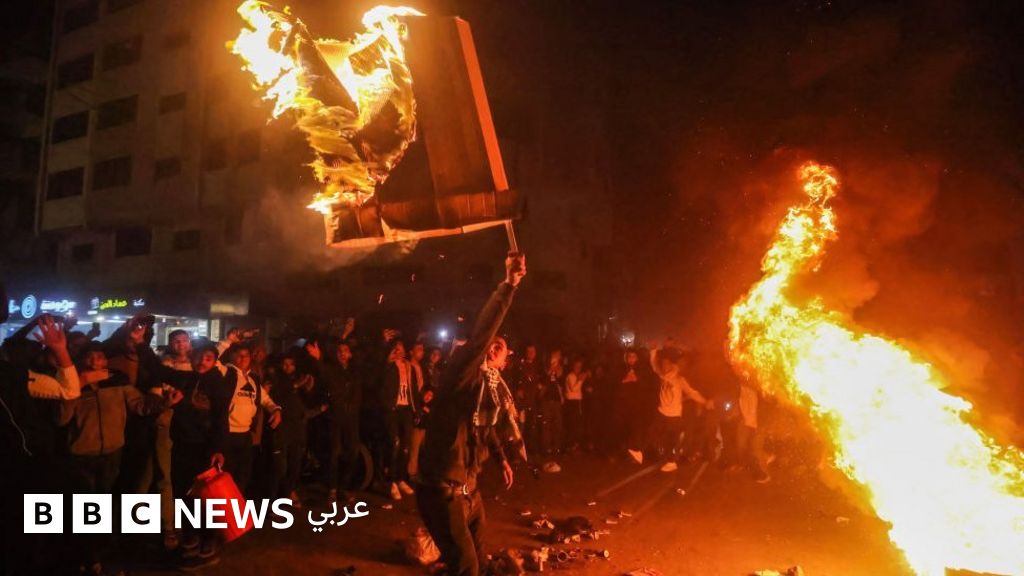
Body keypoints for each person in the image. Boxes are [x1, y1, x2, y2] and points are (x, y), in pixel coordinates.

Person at [417, 252, 525, 576]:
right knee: (466, 567)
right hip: (443, 491)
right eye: (494, 344)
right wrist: (509, 286)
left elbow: (485, 427)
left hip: (469, 490)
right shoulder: (461, 376)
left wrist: (502, 458)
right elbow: (481, 336)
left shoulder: (485, 392)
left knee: (483, 562)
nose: (497, 347)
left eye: (501, 346)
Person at [210, 344, 282, 496]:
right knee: (226, 476)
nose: (243, 359)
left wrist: (276, 409)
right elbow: (212, 359)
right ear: (231, 356)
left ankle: (236, 507)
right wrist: (228, 341)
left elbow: (265, 399)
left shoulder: (252, 378)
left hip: (245, 435)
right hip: (226, 434)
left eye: (246, 355)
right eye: (239, 355)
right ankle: (223, 509)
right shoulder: (225, 372)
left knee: (243, 476)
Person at [309, 339, 362, 504]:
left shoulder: (355, 371)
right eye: (339, 351)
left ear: (350, 354)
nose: (342, 353)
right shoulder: (332, 370)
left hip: (351, 419)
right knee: (334, 453)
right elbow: (323, 372)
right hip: (335, 417)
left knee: (353, 452)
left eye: (345, 350)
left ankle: (343, 487)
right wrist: (318, 358)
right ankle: (332, 489)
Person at [268, 353, 322, 507]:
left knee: (295, 465)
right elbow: (276, 397)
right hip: (282, 428)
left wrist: (309, 390)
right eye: (285, 364)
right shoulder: (275, 379)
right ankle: (272, 501)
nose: (288, 367)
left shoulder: (300, 380)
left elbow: (306, 403)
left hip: (298, 428)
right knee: (280, 468)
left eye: (291, 364)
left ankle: (287, 494)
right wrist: (295, 386)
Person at [646, 346, 709, 472]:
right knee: (655, 433)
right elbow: (654, 366)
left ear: (671, 365)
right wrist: (653, 352)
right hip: (662, 412)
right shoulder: (663, 376)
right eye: (663, 364)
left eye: (666, 364)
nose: (664, 366)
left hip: (674, 415)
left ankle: (672, 461)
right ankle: (655, 454)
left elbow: (691, 392)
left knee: (671, 439)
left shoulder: (679, 379)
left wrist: (704, 401)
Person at [382, 338, 417, 500]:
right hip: (393, 409)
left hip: (406, 409)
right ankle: (391, 482)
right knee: (394, 444)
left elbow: (414, 390)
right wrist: (387, 363)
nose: (398, 350)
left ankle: (400, 478)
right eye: (395, 348)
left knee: (406, 446)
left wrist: (417, 410)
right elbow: (380, 384)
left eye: (400, 347)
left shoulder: (409, 367)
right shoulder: (388, 366)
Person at [540, 349, 564, 471]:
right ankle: (547, 448)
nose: (556, 358)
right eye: (555, 356)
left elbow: (560, 380)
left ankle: (556, 447)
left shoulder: (561, 369)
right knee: (546, 425)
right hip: (546, 400)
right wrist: (550, 371)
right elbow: (544, 381)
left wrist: (556, 369)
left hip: (556, 401)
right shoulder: (545, 368)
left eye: (557, 356)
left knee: (557, 425)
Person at [563, 358, 588, 452]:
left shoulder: (578, 376)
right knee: (572, 424)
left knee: (577, 424)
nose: (578, 368)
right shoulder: (570, 376)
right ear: (573, 367)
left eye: (580, 367)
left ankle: (575, 444)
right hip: (571, 403)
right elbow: (573, 389)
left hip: (577, 402)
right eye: (577, 366)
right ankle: (571, 445)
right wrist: (581, 380)